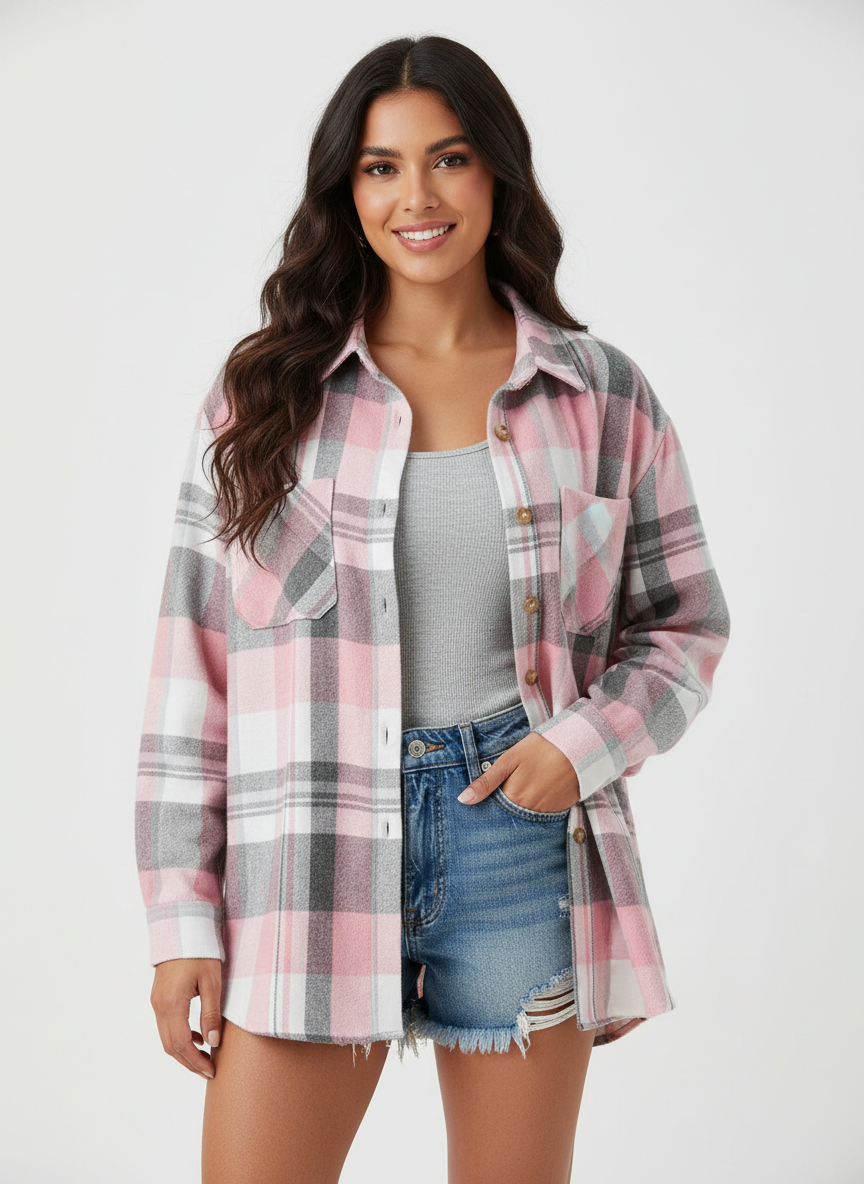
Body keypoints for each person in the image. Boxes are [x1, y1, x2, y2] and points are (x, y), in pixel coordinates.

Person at [135, 34, 731, 1184]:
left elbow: (686, 621)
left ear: (497, 172)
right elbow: (191, 676)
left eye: (448, 158)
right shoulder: (268, 396)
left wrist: (578, 747)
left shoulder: (599, 395)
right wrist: (180, 922)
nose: (417, 195)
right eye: (381, 166)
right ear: (346, 191)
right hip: (308, 853)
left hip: (520, 836)